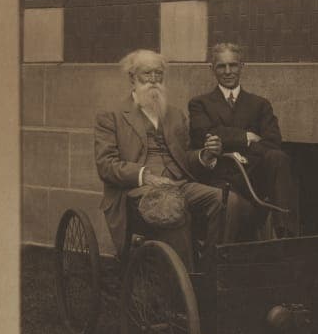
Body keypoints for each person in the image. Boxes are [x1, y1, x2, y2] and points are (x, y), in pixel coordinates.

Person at [95, 49, 247, 271]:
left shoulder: (175, 114)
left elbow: (184, 156)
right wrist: (145, 176)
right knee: (173, 209)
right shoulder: (112, 115)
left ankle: (211, 272)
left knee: (227, 202)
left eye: (159, 74)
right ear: (132, 77)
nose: (154, 80)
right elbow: (106, 165)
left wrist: (205, 155)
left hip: (178, 184)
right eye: (147, 74)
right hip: (137, 191)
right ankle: (183, 287)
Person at [188, 42, 293, 236]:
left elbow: (272, 142)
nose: (228, 71)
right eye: (221, 66)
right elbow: (203, 133)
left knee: (279, 158)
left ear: (242, 66)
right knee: (230, 204)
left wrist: (236, 148)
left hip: (254, 175)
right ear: (212, 69)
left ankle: (284, 232)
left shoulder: (260, 104)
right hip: (221, 177)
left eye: (233, 65)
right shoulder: (199, 103)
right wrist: (246, 137)